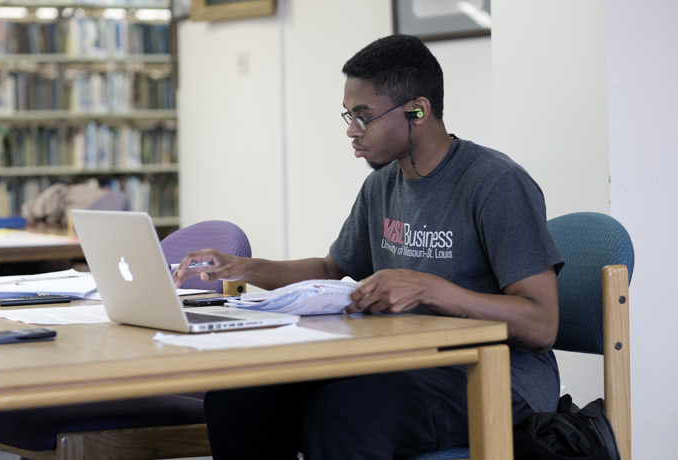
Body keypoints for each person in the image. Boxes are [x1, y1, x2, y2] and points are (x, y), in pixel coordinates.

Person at [172, 34, 565, 460]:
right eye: (349, 115)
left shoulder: (495, 183)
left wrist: (430, 288)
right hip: (401, 363)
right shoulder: (381, 186)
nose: (351, 130)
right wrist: (245, 268)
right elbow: (331, 269)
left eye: (364, 116)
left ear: (418, 110)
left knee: (342, 415)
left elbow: (542, 325)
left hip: (493, 376)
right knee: (238, 400)